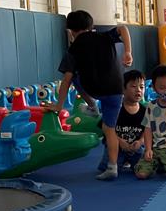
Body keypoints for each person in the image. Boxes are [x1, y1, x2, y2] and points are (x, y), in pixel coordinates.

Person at [51, 9, 132, 180]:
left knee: (74, 76)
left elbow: (66, 80)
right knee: (109, 129)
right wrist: (127, 52)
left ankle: (92, 105)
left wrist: (59, 105)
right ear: (91, 26)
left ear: (70, 31)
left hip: (94, 90)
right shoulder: (104, 36)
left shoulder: (73, 49)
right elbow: (123, 28)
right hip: (116, 89)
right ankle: (112, 167)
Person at [97, 69, 147, 173]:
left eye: (142, 87)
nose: (138, 90)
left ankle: (128, 161)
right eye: (134, 86)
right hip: (116, 148)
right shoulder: (115, 109)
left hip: (135, 148)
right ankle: (118, 161)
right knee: (108, 168)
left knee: (145, 168)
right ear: (123, 89)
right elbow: (105, 127)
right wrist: (119, 141)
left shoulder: (144, 111)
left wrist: (140, 141)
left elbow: (147, 130)